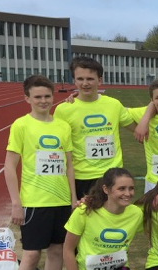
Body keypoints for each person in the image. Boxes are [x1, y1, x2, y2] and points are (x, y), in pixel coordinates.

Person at [5, 75, 79, 270]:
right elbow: (9, 166)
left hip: (61, 202)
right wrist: (16, 203)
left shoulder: (62, 126)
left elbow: (68, 165)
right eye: (37, 97)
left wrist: (72, 198)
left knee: (58, 251)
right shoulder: (21, 125)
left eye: (47, 96)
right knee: (31, 256)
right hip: (35, 202)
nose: (43, 101)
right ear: (27, 98)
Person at [54, 56, 135, 199]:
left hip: (112, 176)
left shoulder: (114, 105)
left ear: (99, 80)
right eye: (80, 79)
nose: (85, 83)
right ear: (74, 81)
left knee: (113, 213)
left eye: (90, 79)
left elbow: (137, 130)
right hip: (82, 177)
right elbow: (59, 148)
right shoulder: (63, 110)